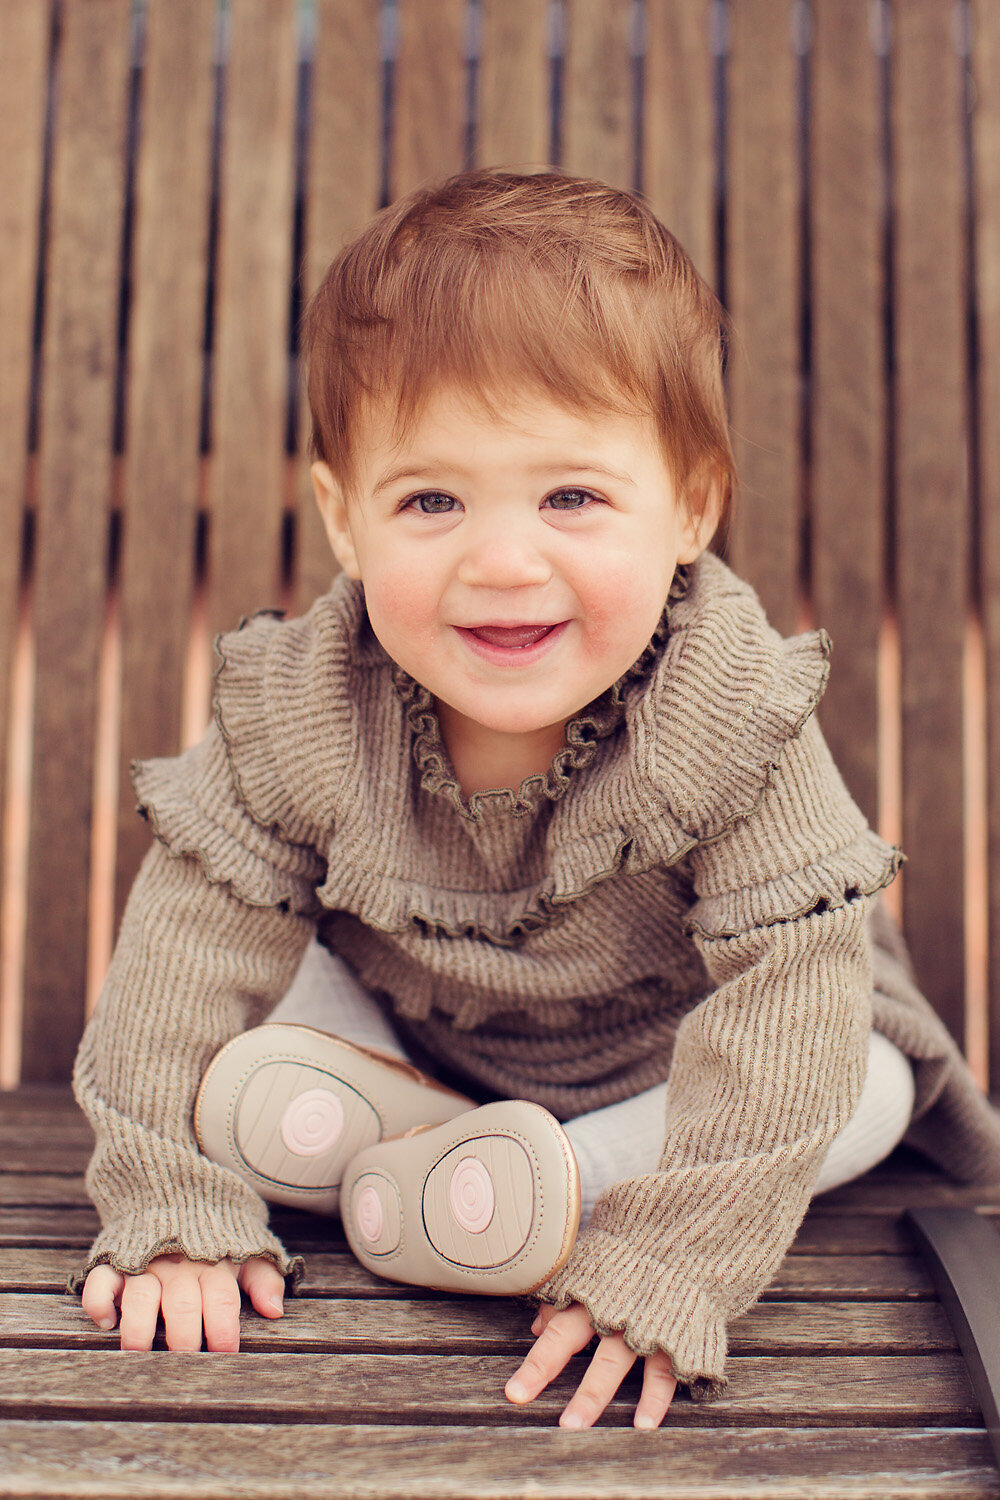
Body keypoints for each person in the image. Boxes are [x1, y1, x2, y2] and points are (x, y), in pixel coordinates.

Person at [71, 168, 1000, 1429]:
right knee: (223, 1001)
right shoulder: (301, 705)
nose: (502, 562)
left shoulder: (725, 710)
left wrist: (669, 1259)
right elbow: (186, 948)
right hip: (417, 1022)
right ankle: (434, 1142)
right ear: (346, 522)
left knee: (856, 1079)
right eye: (432, 500)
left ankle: (559, 1178)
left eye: (570, 496)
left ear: (691, 507)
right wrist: (169, 1200)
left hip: (681, 1057)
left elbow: (790, 995)